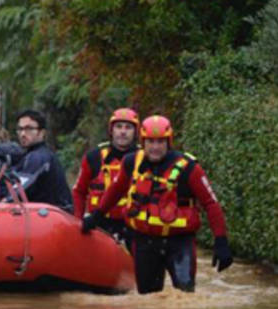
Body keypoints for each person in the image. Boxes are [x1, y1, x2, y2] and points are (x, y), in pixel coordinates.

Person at [82, 115, 234, 294]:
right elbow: (115, 191)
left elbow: (211, 204)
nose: (155, 147)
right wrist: (96, 217)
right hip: (144, 241)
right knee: (148, 299)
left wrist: (221, 241)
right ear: (143, 142)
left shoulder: (189, 168)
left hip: (179, 242)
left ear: (168, 142)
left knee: (184, 295)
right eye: (150, 142)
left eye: (160, 142)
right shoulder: (131, 162)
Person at [72, 108, 140, 248]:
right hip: (99, 223)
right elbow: (79, 191)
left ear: (135, 132)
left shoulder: (144, 158)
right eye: (118, 127)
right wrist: (77, 222)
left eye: (128, 127)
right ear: (111, 130)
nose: (123, 131)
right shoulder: (94, 157)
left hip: (133, 226)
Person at [14, 109, 73, 212]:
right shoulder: (32, 155)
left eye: (29, 129)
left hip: (53, 219)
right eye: (20, 129)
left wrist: (1, 201)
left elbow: (17, 192)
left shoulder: (39, 157)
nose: (23, 134)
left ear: (42, 133)